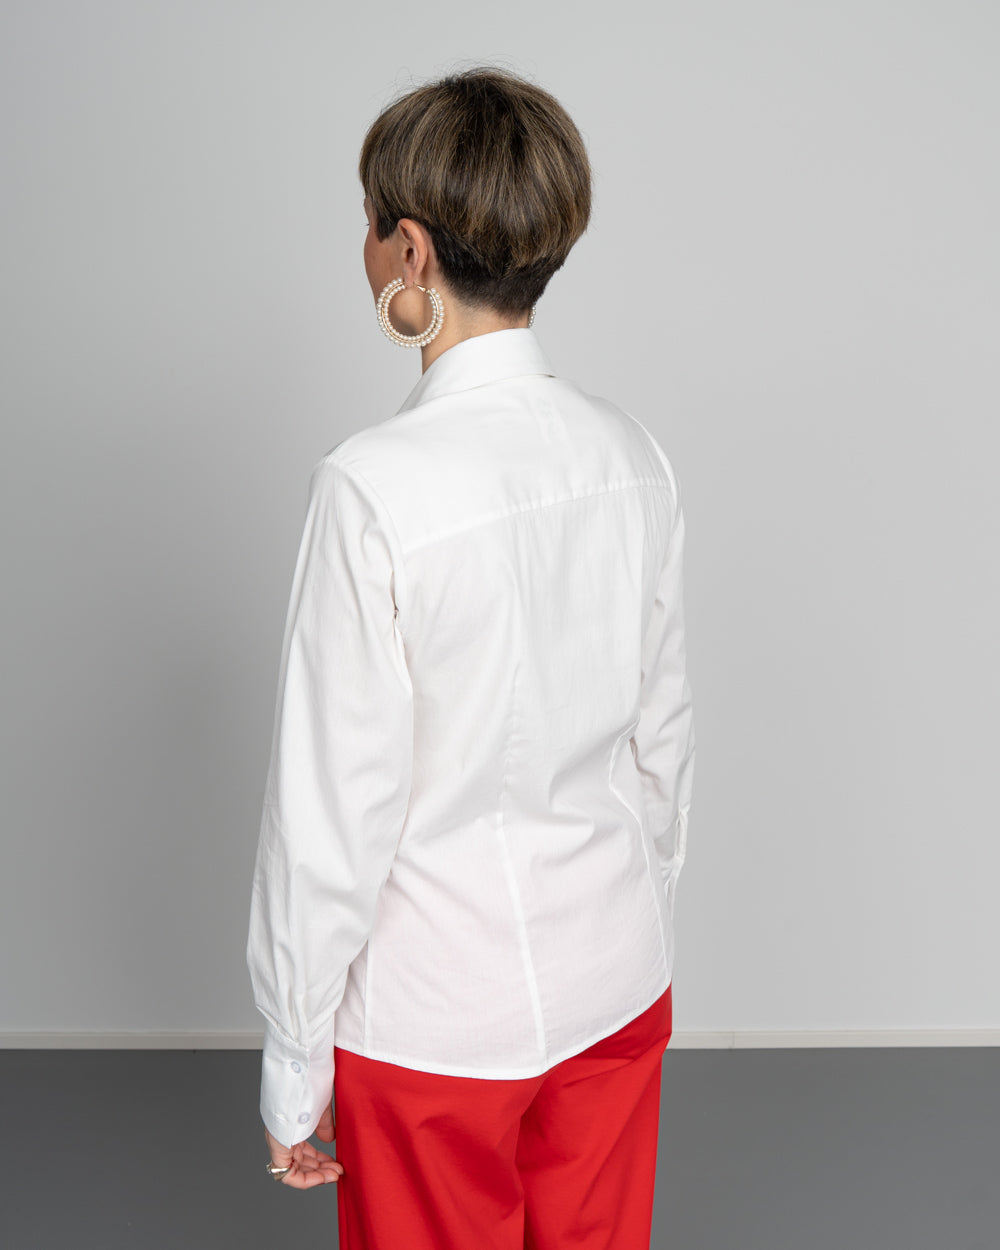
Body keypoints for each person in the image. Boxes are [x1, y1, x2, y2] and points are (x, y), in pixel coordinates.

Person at [246, 64, 696, 1250]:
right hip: (616, 978)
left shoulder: (370, 488)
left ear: (408, 249)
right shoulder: (633, 454)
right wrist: (631, 914)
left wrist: (294, 1055)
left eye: (368, 224)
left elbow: (330, 812)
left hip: (433, 1021)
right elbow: (663, 745)